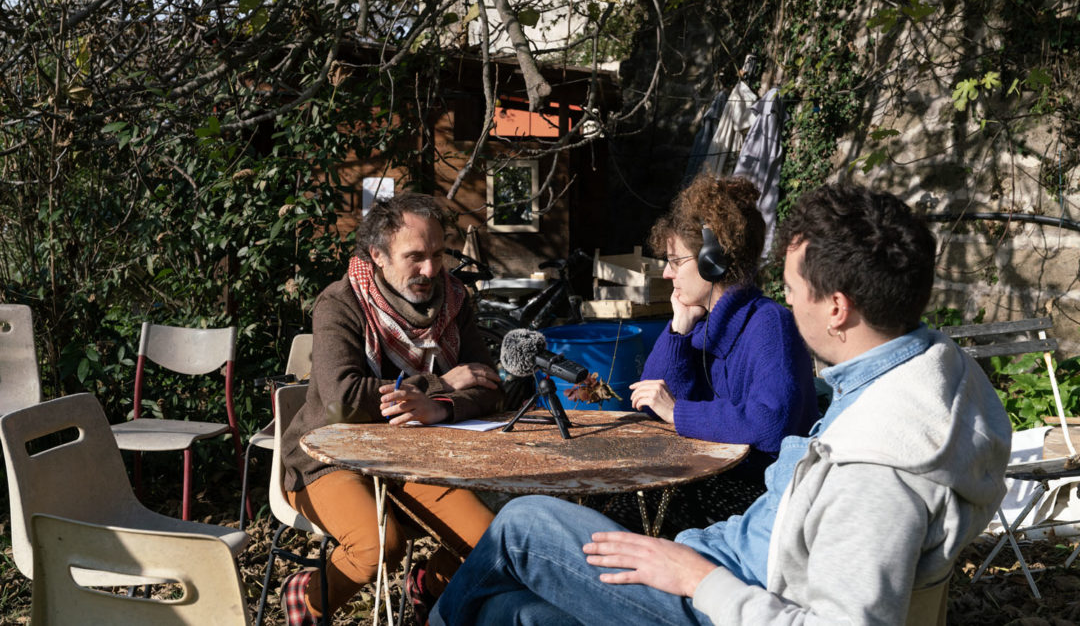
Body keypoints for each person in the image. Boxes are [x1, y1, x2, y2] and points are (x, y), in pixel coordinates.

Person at [430, 183, 1012, 625]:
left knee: (523, 522)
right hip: (724, 555)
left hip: (723, 594)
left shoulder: (879, 468)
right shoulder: (923, 372)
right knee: (511, 612)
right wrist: (680, 330)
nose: (785, 300)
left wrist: (699, 578)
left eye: (791, 288)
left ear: (835, 308)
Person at [279, 192, 505, 626]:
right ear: (378, 255)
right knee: (379, 545)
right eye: (415, 257)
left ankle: (428, 585)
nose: (431, 269)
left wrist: (437, 408)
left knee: (491, 544)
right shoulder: (341, 303)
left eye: (439, 253)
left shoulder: (455, 301)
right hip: (327, 457)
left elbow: (488, 386)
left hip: (415, 458)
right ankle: (308, 598)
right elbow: (341, 399)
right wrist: (442, 383)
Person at [608, 176, 818, 533]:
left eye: (675, 260)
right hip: (711, 478)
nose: (667, 272)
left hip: (760, 499)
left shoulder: (770, 325)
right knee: (609, 498)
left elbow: (769, 424)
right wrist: (677, 328)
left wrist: (678, 412)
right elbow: (650, 399)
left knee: (622, 515)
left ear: (712, 260)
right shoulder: (699, 322)